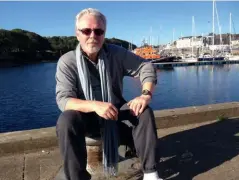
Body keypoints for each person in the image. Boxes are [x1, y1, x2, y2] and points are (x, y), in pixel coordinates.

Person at [55, 8, 162, 180]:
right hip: (87, 117)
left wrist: (145, 94)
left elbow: (146, 67)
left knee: (144, 112)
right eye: (86, 31)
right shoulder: (67, 62)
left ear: (104, 34)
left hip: (115, 111)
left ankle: (151, 173)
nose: (92, 36)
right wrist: (94, 105)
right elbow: (64, 100)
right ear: (77, 34)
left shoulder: (115, 53)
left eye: (98, 31)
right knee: (66, 121)